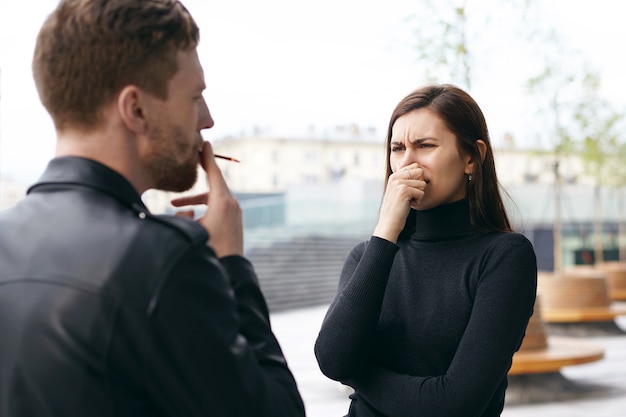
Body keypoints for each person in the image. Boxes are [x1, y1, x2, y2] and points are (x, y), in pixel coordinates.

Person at [0, 1, 305, 416]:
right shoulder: (165, 260)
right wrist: (231, 264)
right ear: (137, 109)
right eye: (195, 97)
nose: (208, 119)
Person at [314, 84, 537, 417]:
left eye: (425, 146)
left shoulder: (504, 257)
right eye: (397, 148)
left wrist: (358, 375)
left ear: (471, 158)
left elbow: (453, 405)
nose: (406, 163)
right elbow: (332, 360)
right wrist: (386, 232)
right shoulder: (369, 256)